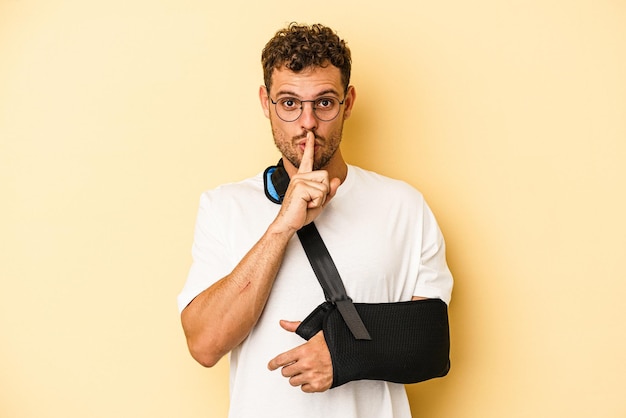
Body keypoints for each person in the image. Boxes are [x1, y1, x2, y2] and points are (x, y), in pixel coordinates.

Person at [178, 23, 453, 418]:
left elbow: (428, 345)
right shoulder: (225, 206)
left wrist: (344, 352)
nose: (307, 122)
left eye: (324, 102)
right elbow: (204, 345)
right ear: (265, 101)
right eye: (289, 103)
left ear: (349, 101)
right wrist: (282, 227)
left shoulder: (403, 205)